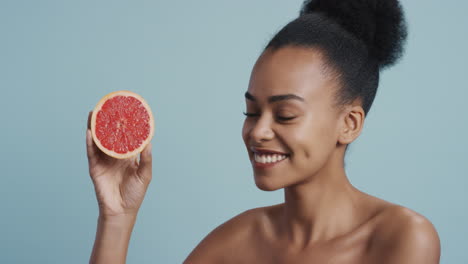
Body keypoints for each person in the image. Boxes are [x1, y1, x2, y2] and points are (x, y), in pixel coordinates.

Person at [86, 0, 441, 263]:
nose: (258, 131)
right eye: (251, 111)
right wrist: (118, 217)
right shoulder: (234, 243)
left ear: (349, 124)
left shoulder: (401, 237)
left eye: (285, 115)